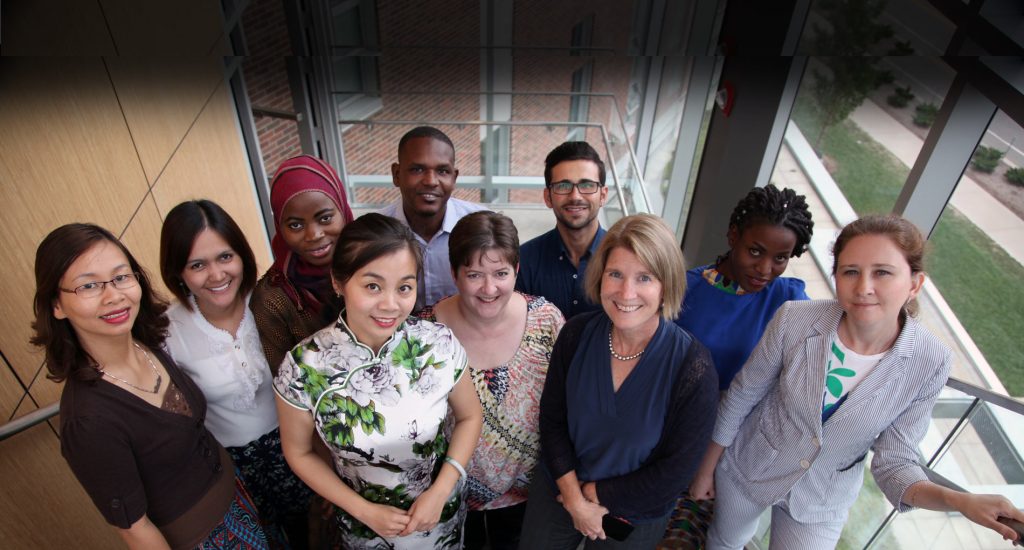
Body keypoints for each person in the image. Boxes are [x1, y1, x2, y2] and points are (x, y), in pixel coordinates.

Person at [693, 215, 1024, 549]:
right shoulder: (794, 318)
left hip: (823, 498)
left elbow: (895, 463)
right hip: (750, 468)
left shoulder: (931, 361)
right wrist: (706, 470)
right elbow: (742, 395)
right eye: (850, 271)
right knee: (725, 541)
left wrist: (959, 501)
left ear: (914, 284)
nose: (864, 287)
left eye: (882, 272)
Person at [31, 223, 269, 550]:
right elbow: (135, 529)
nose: (114, 296)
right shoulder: (88, 421)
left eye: (121, 277)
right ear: (56, 305)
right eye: (88, 286)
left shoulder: (149, 344)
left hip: (239, 501)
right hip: (205, 541)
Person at [273, 213, 484, 549]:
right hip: (363, 527)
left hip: (440, 515)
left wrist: (441, 491)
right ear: (339, 282)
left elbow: (471, 417)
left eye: (404, 287)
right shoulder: (303, 367)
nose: (390, 304)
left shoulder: (437, 344)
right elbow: (298, 452)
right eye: (372, 286)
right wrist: (364, 511)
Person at [520, 214, 719, 549]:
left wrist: (591, 496)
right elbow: (552, 420)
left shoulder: (693, 368)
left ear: (666, 285)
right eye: (616, 274)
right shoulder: (575, 334)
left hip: (635, 513)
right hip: (560, 488)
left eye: (644, 278)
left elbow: (675, 473)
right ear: (600, 277)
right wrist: (572, 497)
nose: (627, 292)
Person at [660, 184, 814, 549]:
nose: (765, 268)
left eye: (781, 257)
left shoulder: (790, 300)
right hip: (678, 439)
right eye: (755, 251)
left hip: (744, 453)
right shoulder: (686, 291)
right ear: (733, 236)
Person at [160, 200, 313, 548]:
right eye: (197, 264)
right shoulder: (168, 331)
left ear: (242, 255)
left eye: (225, 257)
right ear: (178, 273)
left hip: (298, 446)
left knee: (316, 534)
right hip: (231, 467)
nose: (216, 275)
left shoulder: (271, 301)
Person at [419, 211, 566, 549]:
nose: (489, 288)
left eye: (501, 273)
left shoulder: (546, 322)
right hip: (447, 493)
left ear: (517, 270)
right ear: (454, 274)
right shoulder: (425, 333)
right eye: (474, 274)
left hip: (531, 495)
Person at [251, 154, 354, 373]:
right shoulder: (273, 300)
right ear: (280, 227)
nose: (314, 234)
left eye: (325, 218)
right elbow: (283, 380)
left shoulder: (375, 264)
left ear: (343, 211)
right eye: (296, 225)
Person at [379, 126, 485, 311]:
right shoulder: (373, 233)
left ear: (454, 177)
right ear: (396, 174)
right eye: (417, 169)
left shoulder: (483, 227)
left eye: (443, 171)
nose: (430, 181)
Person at [517, 141, 608, 320]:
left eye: (587, 185)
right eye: (563, 186)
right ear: (547, 197)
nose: (575, 196)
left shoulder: (625, 259)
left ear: (603, 195)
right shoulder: (524, 260)